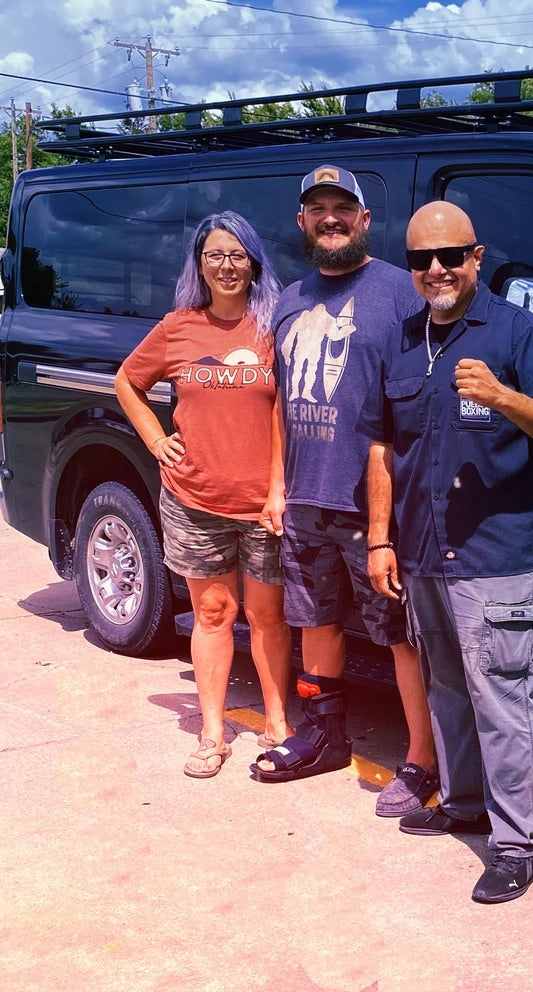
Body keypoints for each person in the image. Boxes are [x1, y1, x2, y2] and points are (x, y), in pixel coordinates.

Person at [362, 200, 533, 904]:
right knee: (448, 691)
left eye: (450, 256)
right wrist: (381, 537)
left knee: (501, 702)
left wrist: (504, 397)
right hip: (424, 550)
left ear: (476, 258)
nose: (436, 270)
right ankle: (462, 803)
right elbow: (384, 447)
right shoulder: (402, 341)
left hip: (495, 553)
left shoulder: (520, 335)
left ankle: (519, 845)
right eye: (422, 259)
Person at [252, 166, 438, 818]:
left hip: (376, 508)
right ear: (303, 223)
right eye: (317, 209)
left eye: (342, 208)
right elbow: (279, 401)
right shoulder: (291, 301)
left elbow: (424, 400)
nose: (330, 218)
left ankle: (423, 759)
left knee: (399, 634)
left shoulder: (399, 294)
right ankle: (324, 735)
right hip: (306, 501)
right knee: (316, 622)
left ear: (364, 220)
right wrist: (278, 485)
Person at [114, 211, 290, 778]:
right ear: (199, 263)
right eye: (215, 255)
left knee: (268, 617)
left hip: (264, 503)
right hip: (194, 498)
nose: (227, 266)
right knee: (214, 612)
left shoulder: (274, 327)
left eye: (238, 255)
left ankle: (278, 722)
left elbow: (289, 412)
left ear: (254, 262)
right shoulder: (179, 327)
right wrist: (157, 439)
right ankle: (213, 732)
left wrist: (279, 488)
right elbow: (128, 381)